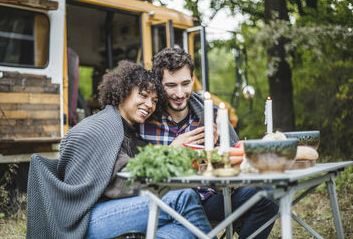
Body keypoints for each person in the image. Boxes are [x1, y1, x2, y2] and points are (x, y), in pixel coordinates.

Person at [26, 60, 212, 239]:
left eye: (154, 100)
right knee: (183, 198)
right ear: (123, 92)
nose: (149, 104)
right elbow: (125, 183)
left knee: (180, 231)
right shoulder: (103, 127)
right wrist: (169, 153)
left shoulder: (127, 132)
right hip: (82, 220)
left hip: (108, 211)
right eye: (143, 95)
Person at [137, 48, 279, 239]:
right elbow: (136, 173)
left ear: (193, 79)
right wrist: (170, 152)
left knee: (268, 194)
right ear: (158, 84)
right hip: (169, 203)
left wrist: (219, 152)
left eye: (185, 84)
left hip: (210, 199)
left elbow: (236, 160)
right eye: (171, 85)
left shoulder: (209, 112)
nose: (180, 93)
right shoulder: (144, 120)